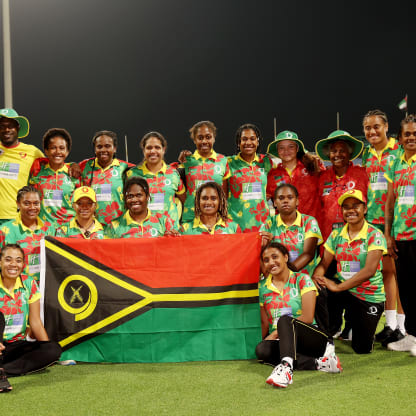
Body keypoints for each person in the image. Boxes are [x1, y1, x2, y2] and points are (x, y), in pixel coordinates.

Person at [256, 242, 341, 389]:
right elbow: (265, 324)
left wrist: (277, 332)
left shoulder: (302, 279)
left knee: (285, 321)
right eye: (266, 260)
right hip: (283, 341)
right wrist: (263, 339)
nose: (271, 262)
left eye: (275, 257)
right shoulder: (262, 288)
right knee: (262, 350)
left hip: (310, 338)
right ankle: (320, 363)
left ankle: (286, 368)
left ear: (286, 257)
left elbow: (308, 318)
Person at [312, 190, 386, 354]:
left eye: (355, 206)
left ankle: (356, 323)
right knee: (318, 288)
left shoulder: (375, 235)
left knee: (362, 348)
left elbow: (369, 271)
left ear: (364, 209)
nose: (350, 210)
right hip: (344, 291)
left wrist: (339, 287)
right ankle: (327, 335)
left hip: (368, 294)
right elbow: (324, 263)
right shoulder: (337, 233)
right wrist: (317, 275)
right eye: (346, 207)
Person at [315, 130, 368, 338]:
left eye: (342, 151)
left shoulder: (361, 174)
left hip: (355, 241)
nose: (338, 154)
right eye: (334, 151)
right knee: (331, 287)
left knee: (354, 283)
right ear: (328, 155)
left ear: (350, 154)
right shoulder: (322, 177)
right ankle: (334, 325)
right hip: (329, 243)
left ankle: (354, 325)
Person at [361, 110, 405, 345]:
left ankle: (403, 327)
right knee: (386, 272)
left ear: (386, 126)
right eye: (368, 128)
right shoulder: (366, 155)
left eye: (376, 126)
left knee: (400, 274)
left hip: (397, 222)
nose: (372, 131)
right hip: (373, 223)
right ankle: (390, 325)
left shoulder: (400, 150)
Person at [0, 244, 62, 392]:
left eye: (18, 260)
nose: (13, 264)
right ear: (0, 262)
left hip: (15, 345)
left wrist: (46, 350)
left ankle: (3, 371)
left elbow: (35, 321)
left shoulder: (29, 283)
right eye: (8, 259)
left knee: (53, 350)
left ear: (23, 264)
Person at [384, 114, 416, 355]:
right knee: (407, 286)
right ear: (400, 137)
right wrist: (388, 234)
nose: (411, 137)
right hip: (402, 235)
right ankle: (411, 335)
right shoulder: (395, 161)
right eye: (407, 133)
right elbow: (390, 201)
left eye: (415, 133)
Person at [124, 131, 185, 227]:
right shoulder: (132, 174)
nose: (153, 151)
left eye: (157, 147)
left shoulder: (173, 173)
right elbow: (125, 203)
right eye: (149, 148)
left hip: (170, 232)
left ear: (163, 150)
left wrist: (182, 224)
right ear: (143, 150)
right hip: (143, 231)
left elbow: (185, 200)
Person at [260, 184, 322, 276]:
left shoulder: (309, 222)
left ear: (297, 201)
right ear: (275, 203)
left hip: (304, 279)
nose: (285, 201)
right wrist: (265, 244)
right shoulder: (268, 224)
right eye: (281, 198)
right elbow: (261, 254)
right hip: (277, 279)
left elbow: (308, 254)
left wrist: (285, 274)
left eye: (290, 197)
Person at [178, 121, 230, 222]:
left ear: (214, 138)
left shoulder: (222, 161)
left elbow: (224, 194)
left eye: (208, 137)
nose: (204, 141)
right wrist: (192, 204)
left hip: (215, 218)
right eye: (200, 138)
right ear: (194, 140)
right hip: (191, 218)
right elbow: (181, 192)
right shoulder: (186, 160)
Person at [0, 186, 55, 282]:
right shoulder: (5, 230)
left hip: (45, 286)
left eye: (36, 203)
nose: (32, 207)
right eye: (27, 203)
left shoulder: (50, 228)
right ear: (18, 204)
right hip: (18, 289)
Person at [226, 124, 273, 232]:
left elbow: (287, 162)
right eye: (244, 139)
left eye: (252, 139)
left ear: (258, 142)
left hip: (263, 225)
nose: (248, 143)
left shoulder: (266, 162)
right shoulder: (228, 163)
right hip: (236, 225)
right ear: (238, 143)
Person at [79, 130, 133, 225]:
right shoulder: (84, 167)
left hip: (118, 227)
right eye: (99, 147)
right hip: (92, 228)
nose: (103, 150)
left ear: (114, 148)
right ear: (95, 149)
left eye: (107, 146)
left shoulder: (125, 168)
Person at [0, 108, 44, 224]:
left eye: (10, 126)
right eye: (2, 126)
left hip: (16, 217)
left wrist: (73, 165)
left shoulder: (32, 152)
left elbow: (55, 165)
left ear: (18, 128)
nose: (6, 130)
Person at [266, 130, 323, 219]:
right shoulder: (272, 175)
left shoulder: (313, 167)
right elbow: (261, 202)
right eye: (281, 148)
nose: (286, 151)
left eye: (291, 147)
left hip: (311, 227)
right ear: (277, 151)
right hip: (285, 230)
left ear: (297, 149)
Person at [29, 128, 79, 226]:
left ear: (68, 151)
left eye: (62, 148)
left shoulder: (74, 174)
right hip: (43, 230)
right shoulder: (38, 172)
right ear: (46, 151)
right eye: (53, 148)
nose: (57, 152)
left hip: (69, 230)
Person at [106, 177, 178, 238]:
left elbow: (172, 250)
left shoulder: (163, 221)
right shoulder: (114, 226)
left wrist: (170, 239)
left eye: (139, 195)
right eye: (130, 196)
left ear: (147, 196)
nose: (134, 200)